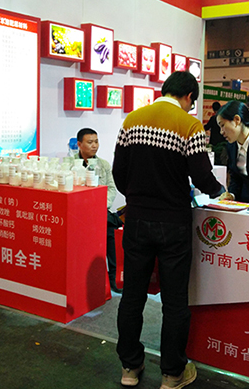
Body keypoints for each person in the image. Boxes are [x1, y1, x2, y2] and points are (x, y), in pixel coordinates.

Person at [112, 71, 225, 389]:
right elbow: (201, 176)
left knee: (132, 297)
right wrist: (220, 192)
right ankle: (172, 373)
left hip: (136, 221)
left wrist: (137, 198)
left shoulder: (132, 120)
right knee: (175, 301)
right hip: (174, 223)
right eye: (192, 102)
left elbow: (119, 171)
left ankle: (130, 367)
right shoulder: (189, 126)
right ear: (188, 96)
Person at [75, 127, 121, 293]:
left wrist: (100, 206)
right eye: (90, 142)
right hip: (79, 215)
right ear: (79, 144)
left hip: (101, 212)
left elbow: (112, 188)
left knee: (111, 235)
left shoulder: (104, 165)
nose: (94, 145)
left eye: (96, 141)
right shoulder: (71, 165)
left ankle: (113, 278)